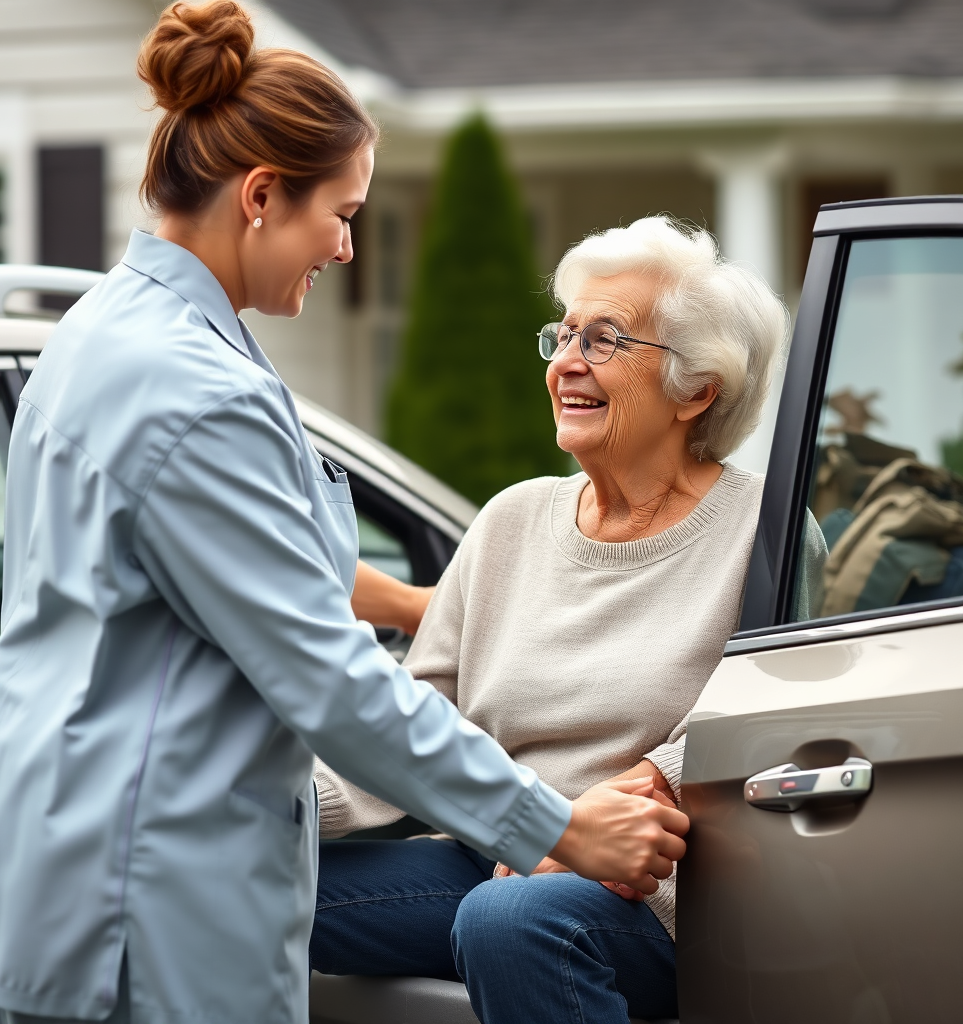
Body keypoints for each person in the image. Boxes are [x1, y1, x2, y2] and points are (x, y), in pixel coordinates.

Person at [0, 7, 689, 1024]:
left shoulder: (96, 333)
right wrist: (554, 826)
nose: (345, 245)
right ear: (259, 197)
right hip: (145, 910)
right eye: (340, 213)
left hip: (54, 876)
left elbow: (221, 596)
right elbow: (329, 680)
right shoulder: (195, 388)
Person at [311, 216, 794, 1024]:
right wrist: (262, 805)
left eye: (604, 341)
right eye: (563, 335)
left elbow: (772, 715)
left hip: (657, 894)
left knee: (509, 919)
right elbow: (412, 721)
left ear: (698, 388)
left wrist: (589, 819)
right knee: (239, 875)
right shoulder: (512, 520)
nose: (567, 361)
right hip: (492, 859)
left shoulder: (764, 533)